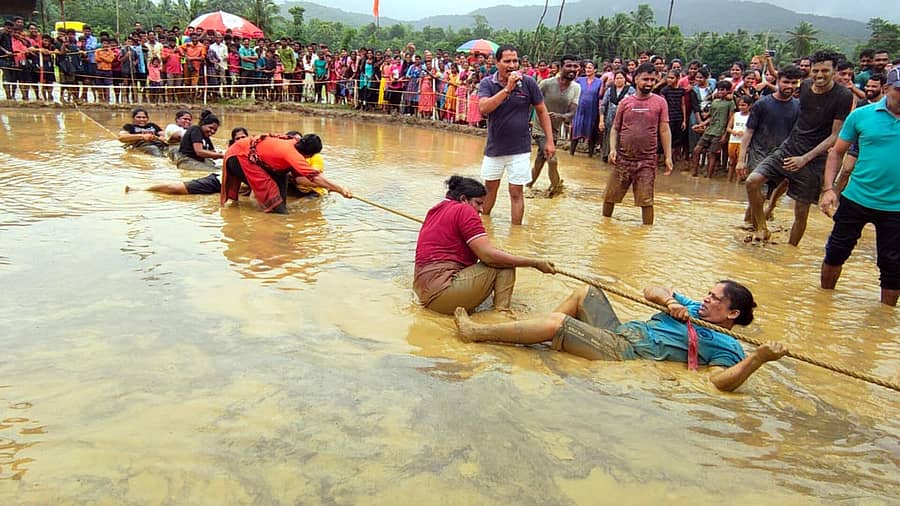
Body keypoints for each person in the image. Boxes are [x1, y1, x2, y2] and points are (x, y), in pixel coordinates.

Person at [454, 280, 788, 392]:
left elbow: (718, 384)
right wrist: (670, 302)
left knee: (560, 325)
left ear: (732, 314)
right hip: (622, 333)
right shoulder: (690, 308)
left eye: (715, 299)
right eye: (709, 293)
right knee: (587, 291)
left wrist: (757, 359)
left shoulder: (728, 345)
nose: (707, 300)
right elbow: (651, 289)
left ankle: (478, 333)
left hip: (625, 352)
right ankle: (536, 332)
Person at [745, 51, 853, 245]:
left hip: (814, 159)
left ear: (835, 71)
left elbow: (835, 136)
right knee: (752, 182)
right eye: (816, 71)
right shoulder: (804, 86)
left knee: (801, 212)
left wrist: (805, 158)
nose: (819, 75)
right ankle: (762, 228)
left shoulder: (843, 96)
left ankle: (790, 252)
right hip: (789, 149)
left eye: (825, 71)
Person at [414, 176, 556, 315]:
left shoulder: (436, 209)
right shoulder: (465, 210)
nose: (482, 209)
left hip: (422, 291)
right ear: (464, 199)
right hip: (441, 294)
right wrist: (534, 263)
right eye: (478, 203)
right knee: (504, 263)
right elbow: (489, 257)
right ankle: (500, 315)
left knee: (500, 257)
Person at [818, 67, 900, 306]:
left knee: (893, 264)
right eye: (899, 90)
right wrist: (829, 189)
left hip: (896, 208)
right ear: (887, 89)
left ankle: (883, 318)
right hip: (857, 198)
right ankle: (822, 303)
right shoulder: (861, 116)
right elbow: (836, 153)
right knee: (835, 252)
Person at [478, 44, 555, 225]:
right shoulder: (487, 83)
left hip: (520, 148)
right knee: (490, 189)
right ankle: (483, 227)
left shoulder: (528, 83)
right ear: (497, 63)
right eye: (507, 61)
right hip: (494, 147)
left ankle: (516, 233)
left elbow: (542, 111)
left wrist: (550, 141)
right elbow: (484, 108)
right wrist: (507, 90)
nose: (512, 65)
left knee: (516, 191)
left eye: (515, 61)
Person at [602, 63, 673, 226]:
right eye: (645, 79)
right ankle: (604, 227)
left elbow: (664, 130)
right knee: (610, 197)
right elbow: (615, 128)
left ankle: (646, 232)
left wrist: (668, 157)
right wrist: (612, 149)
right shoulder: (626, 103)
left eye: (652, 80)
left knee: (646, 201)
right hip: (623, 159)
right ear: (636, 79)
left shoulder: (660, 102)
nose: (649, 83)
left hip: (647, 161)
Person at [735, 65, 803, 224]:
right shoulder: (762, 104)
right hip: (759, 153)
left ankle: (751, 220)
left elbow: (797, 134)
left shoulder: (798, 106)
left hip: (782, 154)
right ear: (778, 81)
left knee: (776, 189)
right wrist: (741, 160)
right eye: (786, 82)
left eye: (794, 83)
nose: (790, 86)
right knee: (760, 191)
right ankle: (757, 226)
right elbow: (748, 133)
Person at [221, 132, 352, 213]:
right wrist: (340, 189)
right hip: (239, 156)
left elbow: (300, 178)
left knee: (281, 176)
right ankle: (277, 215)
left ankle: (280, 210)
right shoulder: (291, 154)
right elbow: (314, 177)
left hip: (248, 154)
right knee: (271, 193)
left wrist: (332, 188)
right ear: (309, 154)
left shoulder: (293, 143)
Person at [127, 127, 249, 196]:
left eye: (243, 137)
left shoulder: (254, 150)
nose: (241, 140)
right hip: (219, 181)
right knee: (175, 189)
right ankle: (141, 189)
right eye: (238, 138)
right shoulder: (232, 152)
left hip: (234, 184)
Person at [529, 54, 581, 197]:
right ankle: (557, 189)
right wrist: (526, 120)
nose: (572, 69)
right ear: (560, 67)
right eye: (568, 66)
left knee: (541, 158)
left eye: (575, 66)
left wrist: (561, 116)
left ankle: (528, 185)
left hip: (555, 129)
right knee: (552, 158)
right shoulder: (546, 84)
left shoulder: (576, 88)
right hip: (539, 127)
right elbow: (531, 102)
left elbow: (572, 112)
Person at [691, 81, 733, 178]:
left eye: (722, 90)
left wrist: (725, 134)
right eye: (719, 90)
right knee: (696, 150)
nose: (720, 92)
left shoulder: (730, 103)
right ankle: (694, 173)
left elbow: (730, 119)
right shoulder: (714, 102)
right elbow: (711, 117)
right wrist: (701, 124)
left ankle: (709, 176)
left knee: (711, 154)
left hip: (719, 132)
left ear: (728, 91)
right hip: (710, 130)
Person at [598, 70, 634, 162]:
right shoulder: (610, 90)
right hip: (610, 120)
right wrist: (601, 120)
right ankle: (607, 156)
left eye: (621, 78)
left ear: (625, 79)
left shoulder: (631, 90)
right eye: (617, 78)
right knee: (608, 139)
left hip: (625, 122)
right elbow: (603, 105)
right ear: (614, 80)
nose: (619, 80)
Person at [569, 60, 603, 157]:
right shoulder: (580, 80)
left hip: (592, 111)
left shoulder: (599, 82)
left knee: (591, 132)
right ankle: (571, 153)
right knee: (576, 130)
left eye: (590, 68)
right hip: (579, 109)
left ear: (595, 70)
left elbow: (600, 96)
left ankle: (590, 155)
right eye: (586, 68)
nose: (587, 69)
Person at [726, 96, 751, 182]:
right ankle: (729, 181)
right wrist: (734, 132)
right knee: (731, 162)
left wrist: (745, 134)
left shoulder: (751, 117)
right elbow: (728, 128)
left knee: (740, 163)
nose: (741, 107)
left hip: (743, 143)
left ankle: (737, 182)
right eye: (740, 105)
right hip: (733, 140)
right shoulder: (735, 115)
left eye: (743, 105)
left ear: (749, 106)